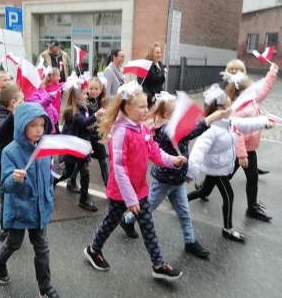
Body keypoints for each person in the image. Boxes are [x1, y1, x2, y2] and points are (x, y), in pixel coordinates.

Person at [83, 81, 187, 281]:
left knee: (148, 226)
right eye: (142, 107)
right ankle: (93, 249)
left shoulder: (143, 129)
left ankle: (158, 264)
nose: (146, 110)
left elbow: (154, 152)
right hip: (121, 193)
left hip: (140, 190)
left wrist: (173, 161)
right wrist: (130, 199)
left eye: (147, 106)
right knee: (110, 223)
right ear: (127, 108)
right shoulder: (121, 132)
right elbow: (118, 168)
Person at [120, 92, 227, 257]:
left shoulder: (175, 127)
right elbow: (192, 131)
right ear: (167, 115)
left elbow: (188, 138)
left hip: (177, 180)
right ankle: (127, 220)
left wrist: (188, 172)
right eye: (178, 113)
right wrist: (210, 118)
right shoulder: (165, 130)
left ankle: (190, 241)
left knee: (184, 212)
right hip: (163, 180)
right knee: (148, 207)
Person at [0, 102, 65, 298]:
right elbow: (5, 185)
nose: (39, 130)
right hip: (20, 208)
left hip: (40, 208)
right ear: (22, 126)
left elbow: (48, 175)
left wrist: (56, 175)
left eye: (42, 124)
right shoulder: (10, 152)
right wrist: (15, 179)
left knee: (42, 247)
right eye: (33, 125)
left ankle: (45, 287)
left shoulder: (44, 148)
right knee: (14, 242)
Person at [187, 84, 272, 243]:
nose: (231, 107)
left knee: (203, 191)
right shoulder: (210, 129)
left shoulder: (228, 121)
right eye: (228, 105)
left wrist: (263, 122)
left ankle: (180, 202)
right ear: (220, 108)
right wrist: (190, 172)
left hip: (222, 166)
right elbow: (197, 152)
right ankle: (227, 229)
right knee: (229, 196)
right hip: (216, 168)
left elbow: (246, 125)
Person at [225, 62, 279, 221]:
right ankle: (204, 189)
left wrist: (272, 73)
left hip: (249, 149)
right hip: (239, 149)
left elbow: (263, 91)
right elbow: (237, 133)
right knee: (224, 176)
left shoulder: (251, 101)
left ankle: (252, 208)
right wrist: (242, 155)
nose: (255, 92)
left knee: (252, 177)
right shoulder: (238, 108)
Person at [55, 75, 104, 211]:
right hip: (72, 146)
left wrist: (89, 141)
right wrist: (96, 115)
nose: (86, 93)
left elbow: (85, 125)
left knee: (85, 172)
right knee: (66, 172)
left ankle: (83, 198)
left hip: (82, 145)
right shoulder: (71, 110)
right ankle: (51, 182)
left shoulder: (83, 107)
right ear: (76, 96)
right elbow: (82, 122)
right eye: (83, 93)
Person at [0, 83, 24, 242]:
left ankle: (16, 223)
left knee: (18, 193)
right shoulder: (0, 114)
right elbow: (2, 128)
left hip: (17, 159)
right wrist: (15, 112)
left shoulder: (14, 111)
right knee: (6, 196)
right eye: (21, 100)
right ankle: (4, 228)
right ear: (13, 103)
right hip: (4, 163)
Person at [69, 75, 109, 191]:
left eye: (96, 89)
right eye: (91, 88)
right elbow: (86, 120)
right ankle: (71, 180)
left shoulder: (101, 102)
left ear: (101, 89)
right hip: (87, 137)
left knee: (103, 162)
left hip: (97, 136)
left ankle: (108, 188)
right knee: (82, 161)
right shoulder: (85, 103)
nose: (93, 91)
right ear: (87, 89)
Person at [139, 42, 166, 107]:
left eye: (160, 52)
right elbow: (141, 83)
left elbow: (159, 82)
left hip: (159, 98)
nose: (159, 55)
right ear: (151, 53)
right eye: (157, 53)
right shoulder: (144, 66)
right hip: (150, 100)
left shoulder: (159, 64)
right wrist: (150, 97)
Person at [43, 67, 63, 133]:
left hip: (56, 112)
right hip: (50, 113)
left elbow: (61, 85)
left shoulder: (57, 85)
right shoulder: (47, 87)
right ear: (52, 77)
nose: (59, 78)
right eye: (58, 76)